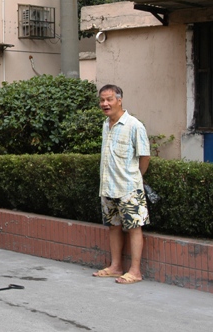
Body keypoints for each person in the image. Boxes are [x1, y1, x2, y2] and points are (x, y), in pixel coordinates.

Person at [92, 84, 150, 285]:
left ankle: (135, 271)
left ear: (119, 100)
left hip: (129, 188)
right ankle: (116, 266)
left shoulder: (134, 125)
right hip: (108, 187)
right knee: (114, 226)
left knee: (134, 227)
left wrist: (136, 178)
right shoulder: (105, 125)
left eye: (109, 99)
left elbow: (144, 156)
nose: (105, 104)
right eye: (102, 100)